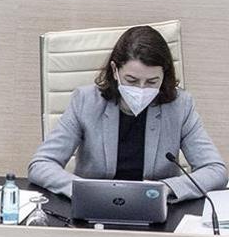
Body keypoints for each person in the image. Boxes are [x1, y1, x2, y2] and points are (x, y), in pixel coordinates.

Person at [28, 25, 226, 200]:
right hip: (94, 207)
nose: (141, 89)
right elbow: (41, 164)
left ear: (164, 74)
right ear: (115, 70)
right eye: (131, 80)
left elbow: (215, 170)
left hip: (154, 208)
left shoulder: (180, 106)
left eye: (151, 82)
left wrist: (166, 188)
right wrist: (84, 190)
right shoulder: (85, 101)